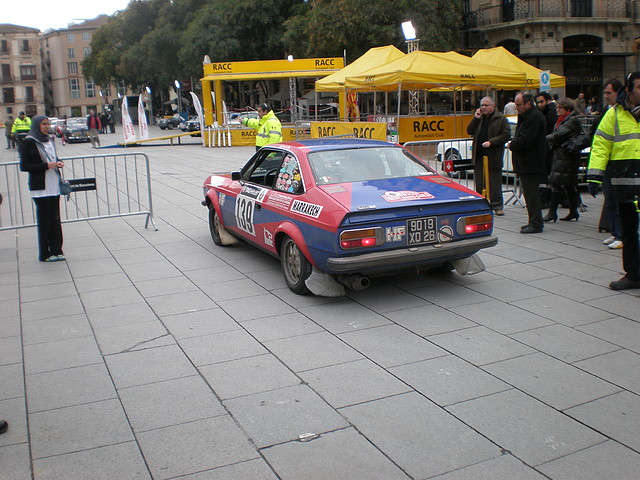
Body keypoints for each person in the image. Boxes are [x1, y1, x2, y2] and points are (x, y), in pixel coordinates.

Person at [588, 72, 640, 290]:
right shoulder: (614, 114)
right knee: (629, 232)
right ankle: (634, 275)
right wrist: (594, 175)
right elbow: (601, 145)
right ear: (627, 90)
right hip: (625, 183)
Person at [18, 115, 66, 263]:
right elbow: (24, 166)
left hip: (54, 184)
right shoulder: (29, 142)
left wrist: (58, 163)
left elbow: (53, 158)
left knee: (55, 219)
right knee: (45, 220)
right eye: (43, 124)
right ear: (37, 126)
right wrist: (46, 166)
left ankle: (57, 249)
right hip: (41, 187)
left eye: (48, 124)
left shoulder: (49, 140)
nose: (46, 126)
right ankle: (45, 253)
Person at [508, 92, 547, 234]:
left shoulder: (534, 117)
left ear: (528, 104)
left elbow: (526, 139)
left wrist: (513, 145)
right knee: (529, 193)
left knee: (532, 194)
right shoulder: (527, 116)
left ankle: (536, 223)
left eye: (519, 105)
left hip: (531, 162)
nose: (516, 108)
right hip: (527, 162)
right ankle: (533, 220)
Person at [593, 78, 624, 249]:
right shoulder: (607, 110)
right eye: (604, 93)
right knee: (610, 200)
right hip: (608, 164)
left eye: (609, 93)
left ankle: (621, 234)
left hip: (621, 163)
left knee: (620, 202)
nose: (606, 96)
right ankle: (614, 232)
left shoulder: (622, 111)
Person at [466, 96, 511, 215]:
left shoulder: (501, 119)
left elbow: (506, 135)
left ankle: (497, 205)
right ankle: (481, 204)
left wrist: (492, 142)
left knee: (494, 181)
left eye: (486, 105)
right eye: (482, 105)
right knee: (480, 181)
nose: (483, 107)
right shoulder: (480, 118)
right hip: (479, 154)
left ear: (493, 106)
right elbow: (469, 130)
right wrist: (475, 118)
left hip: (493, 155)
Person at [543, 98, 583, 222]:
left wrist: (544, 138)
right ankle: (573, 211)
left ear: (567, 109)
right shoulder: (563, 120)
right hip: (562, 155)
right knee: (568, 185)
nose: (557, 110)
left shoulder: (571, 120)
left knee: (556, 183)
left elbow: (559, 135)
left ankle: (552, 213)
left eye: (560, 107)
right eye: (557, 107)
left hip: (567, 156)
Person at [536, 91, 558, 207]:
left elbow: (551, 122)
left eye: (542, 102)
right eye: (538, 102)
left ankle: (548, 199)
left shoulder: (551, 113)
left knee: (548, 175)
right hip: (542, 149)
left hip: (550, 149)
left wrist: (552, 106)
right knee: (543, 176)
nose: (540, 105)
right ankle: (543, 198)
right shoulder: (539, 114)